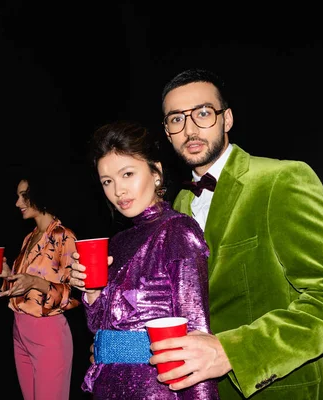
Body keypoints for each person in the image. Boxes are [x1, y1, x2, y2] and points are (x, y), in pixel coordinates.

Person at [146, 68, 323, 399]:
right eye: (176, 119)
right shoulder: (177, 205)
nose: (190, 128)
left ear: (228, 119)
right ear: (167, 132)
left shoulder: (281, 179)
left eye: (203, 113)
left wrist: (231, 352)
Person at [71, 120, 219, 399]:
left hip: (154, 389)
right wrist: (91, 292)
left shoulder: (177, 231)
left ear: (156, 173)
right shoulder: (117, 242)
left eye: (127, 174)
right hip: (107, 386)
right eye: (107, 181)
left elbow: (198, 341)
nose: (118, 191)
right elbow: (100, 327)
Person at [0, 171, 80, 400]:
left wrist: (37, 282)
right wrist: (8, 274)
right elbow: (26, 287)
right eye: (18, 196)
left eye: (24, 195)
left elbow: (75, 294)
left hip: (48, 332)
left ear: (41, 194)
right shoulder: (30, 237)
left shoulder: (64, 236)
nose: (18, 203)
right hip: (20, 330)